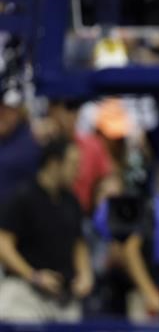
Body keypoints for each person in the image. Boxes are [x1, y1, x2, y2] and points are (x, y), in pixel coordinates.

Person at [0, 138, 92, 322]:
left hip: (64, 297)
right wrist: (33, 276)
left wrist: (85, 274)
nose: (77, 171)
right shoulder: (24, 196)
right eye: (73, 164)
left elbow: (78, 244)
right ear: (54, 163)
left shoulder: (71, 201)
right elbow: (3, 243)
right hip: (26, 293)